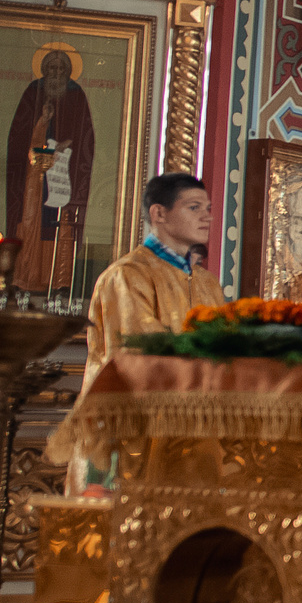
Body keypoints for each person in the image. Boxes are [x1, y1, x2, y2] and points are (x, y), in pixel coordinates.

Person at [61, 173, 228, 492]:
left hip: (193, 435)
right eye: (194, 207)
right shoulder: (127, 277)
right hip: (130, 436)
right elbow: (139, 357)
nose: (207, 216)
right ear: (159, 214)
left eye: (208, 207)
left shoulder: (207, 284)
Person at [6, 46, 96, 295]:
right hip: (34, 176)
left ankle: (58, 280)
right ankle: (28, 278)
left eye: (61, 69)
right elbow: (18, 134)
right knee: (33, 219)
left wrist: (69, 145)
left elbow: (85, 135)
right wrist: (42, 122)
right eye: (51, 68)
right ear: (44, 70)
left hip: (64, 173)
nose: (56, 73)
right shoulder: (33, 92)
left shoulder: (77, 95)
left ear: (68, 71)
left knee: (60, 222)